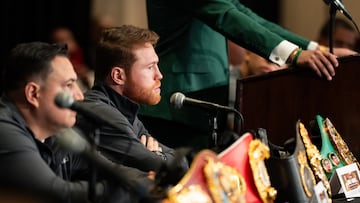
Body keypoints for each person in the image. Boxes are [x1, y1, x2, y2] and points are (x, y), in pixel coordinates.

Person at [140, 0, 357, 150]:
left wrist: (315, 49)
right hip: (177, 107)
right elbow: (226, 16)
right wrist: (294, 54)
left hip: (203, 105)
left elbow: (245, 15)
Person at [0, 42, 152, 202]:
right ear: (33, 93)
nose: (79, 96)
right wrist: (139, 187)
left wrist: (152, 179)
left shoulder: (57, 133)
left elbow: (109, 168)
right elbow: (60, 194)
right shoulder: (5, 130)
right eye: (69, 85)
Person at [75, 25, 189, 175]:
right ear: (118, 76)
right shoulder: (100, 112)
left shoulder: (124, 110)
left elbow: (181, 161)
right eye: (150, 67)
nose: (159, 75)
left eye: (157, 65)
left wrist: (156, 157)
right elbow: (173, 168)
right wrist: (158, 156)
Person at [50, 27, 94, 92]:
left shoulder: (83, 54)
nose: (65, 43)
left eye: (68, 39)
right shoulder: (52, 63)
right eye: (60, 40)